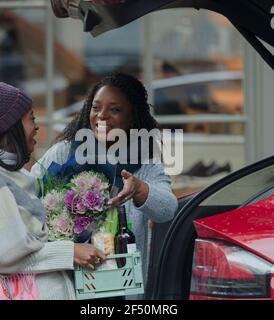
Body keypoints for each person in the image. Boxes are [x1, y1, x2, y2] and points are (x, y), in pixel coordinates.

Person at [0, 81, 105, 300]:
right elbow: (3, 253)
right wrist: (69, 252)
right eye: (31, 118)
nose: (36, 126)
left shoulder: (12, 172)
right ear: (10, 126)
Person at [31, 73, 178, 297]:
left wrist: (139, 189)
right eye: (96, 107)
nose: (101, 116)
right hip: (65, 284)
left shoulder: (145, 163)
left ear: (132, 117)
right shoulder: (65, 153)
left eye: (115, 110)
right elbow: (26, 197)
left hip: (122, 286)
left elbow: (167, 209)